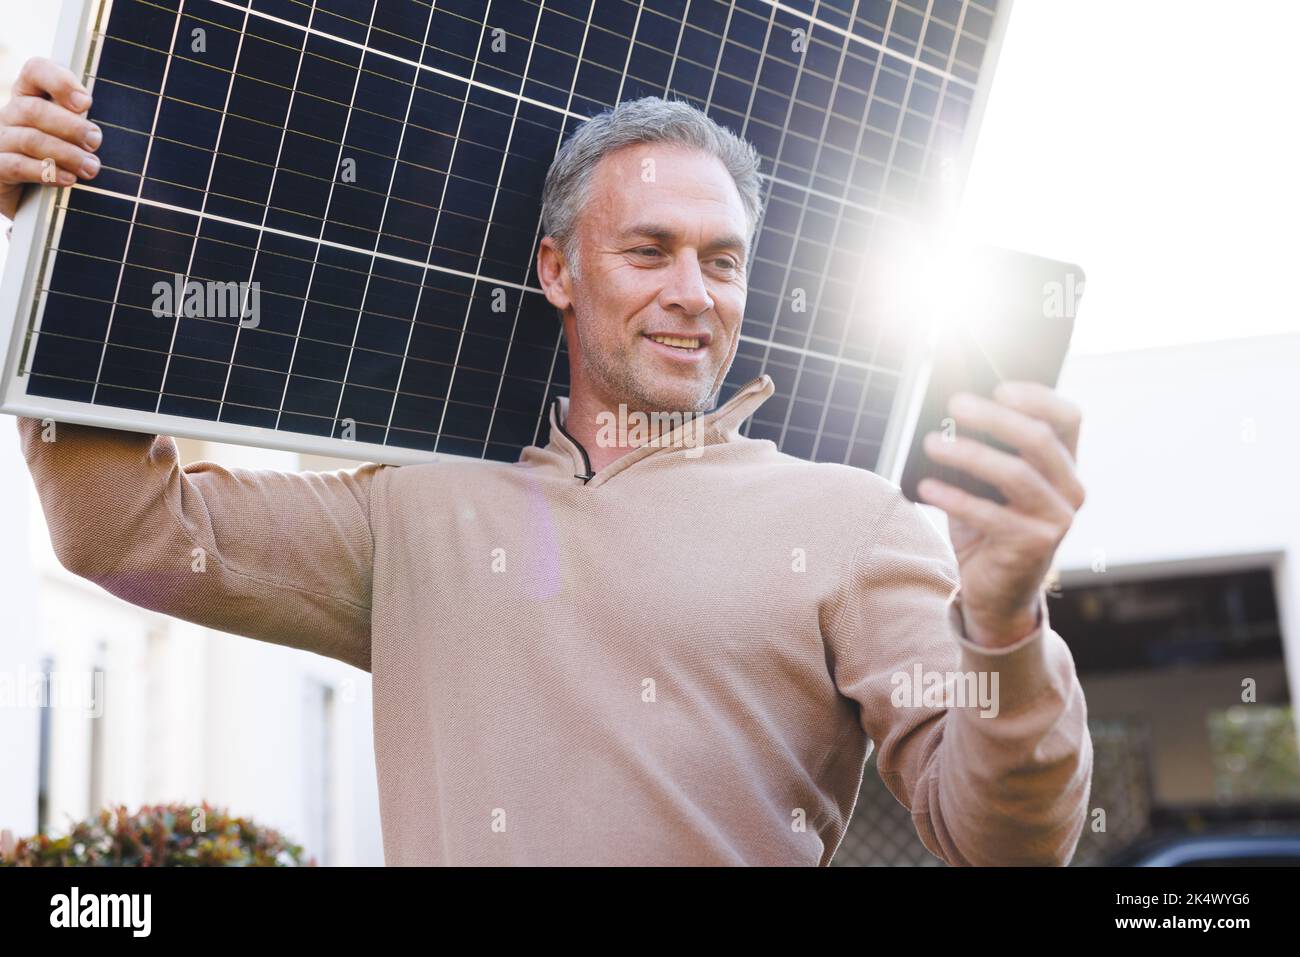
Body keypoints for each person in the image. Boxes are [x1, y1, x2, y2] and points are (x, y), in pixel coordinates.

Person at [2, 56, 1092, 866]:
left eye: (722, 261)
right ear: (558, 272)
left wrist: (1004, 624)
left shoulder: (852, 523)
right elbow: (122, 531)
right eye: (649, 250)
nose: (692, 293)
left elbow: (1005, 843)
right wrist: (38, 237)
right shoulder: (417, 512)